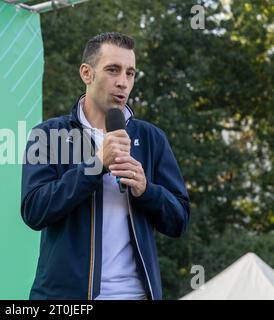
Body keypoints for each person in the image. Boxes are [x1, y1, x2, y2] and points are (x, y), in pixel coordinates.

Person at [20, 32, 190, 300]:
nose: (123, 82)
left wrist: (146, 190)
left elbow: (179, 220)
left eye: (130, 73)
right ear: (87, 74)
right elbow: (34, 210)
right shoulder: (48, 134)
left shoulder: (151, 138)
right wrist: (95, 165)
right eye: (113, 70)